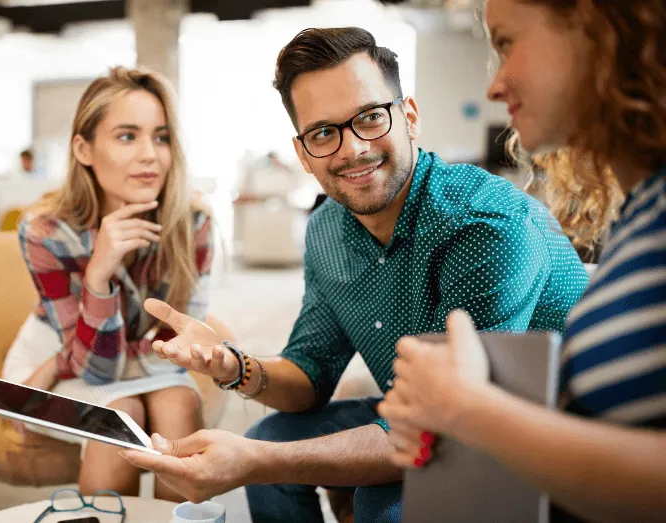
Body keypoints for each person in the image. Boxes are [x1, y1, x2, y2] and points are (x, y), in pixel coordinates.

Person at [122, 27, 589, 522]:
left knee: (372, 502)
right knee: (271, 436)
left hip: (538, 440)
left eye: (370, 117)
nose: (352, 149)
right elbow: (310, 372)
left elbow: (447, 424)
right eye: (323, 132)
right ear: (302, 153)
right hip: (421, 411)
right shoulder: (327, 229)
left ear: (408, 116)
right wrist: (231, 365)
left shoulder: (484, 225)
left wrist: (254, 464)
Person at [377, 1, 666, 522]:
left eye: (507, 42)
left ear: (599, 30)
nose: (494, 85)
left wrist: (468, 409)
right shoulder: (642, 213)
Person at [0, 66, 214, 502]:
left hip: (77, 362)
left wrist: (60, 362)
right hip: (54, 366)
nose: (150, 155)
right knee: (119, 416)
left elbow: (181, 346)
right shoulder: (45, 232)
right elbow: (97, 371)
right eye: (126, 136)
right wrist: (98, 275)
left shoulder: (193, 223)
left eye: (161, 137)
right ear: (83, 148)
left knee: (177, 403)